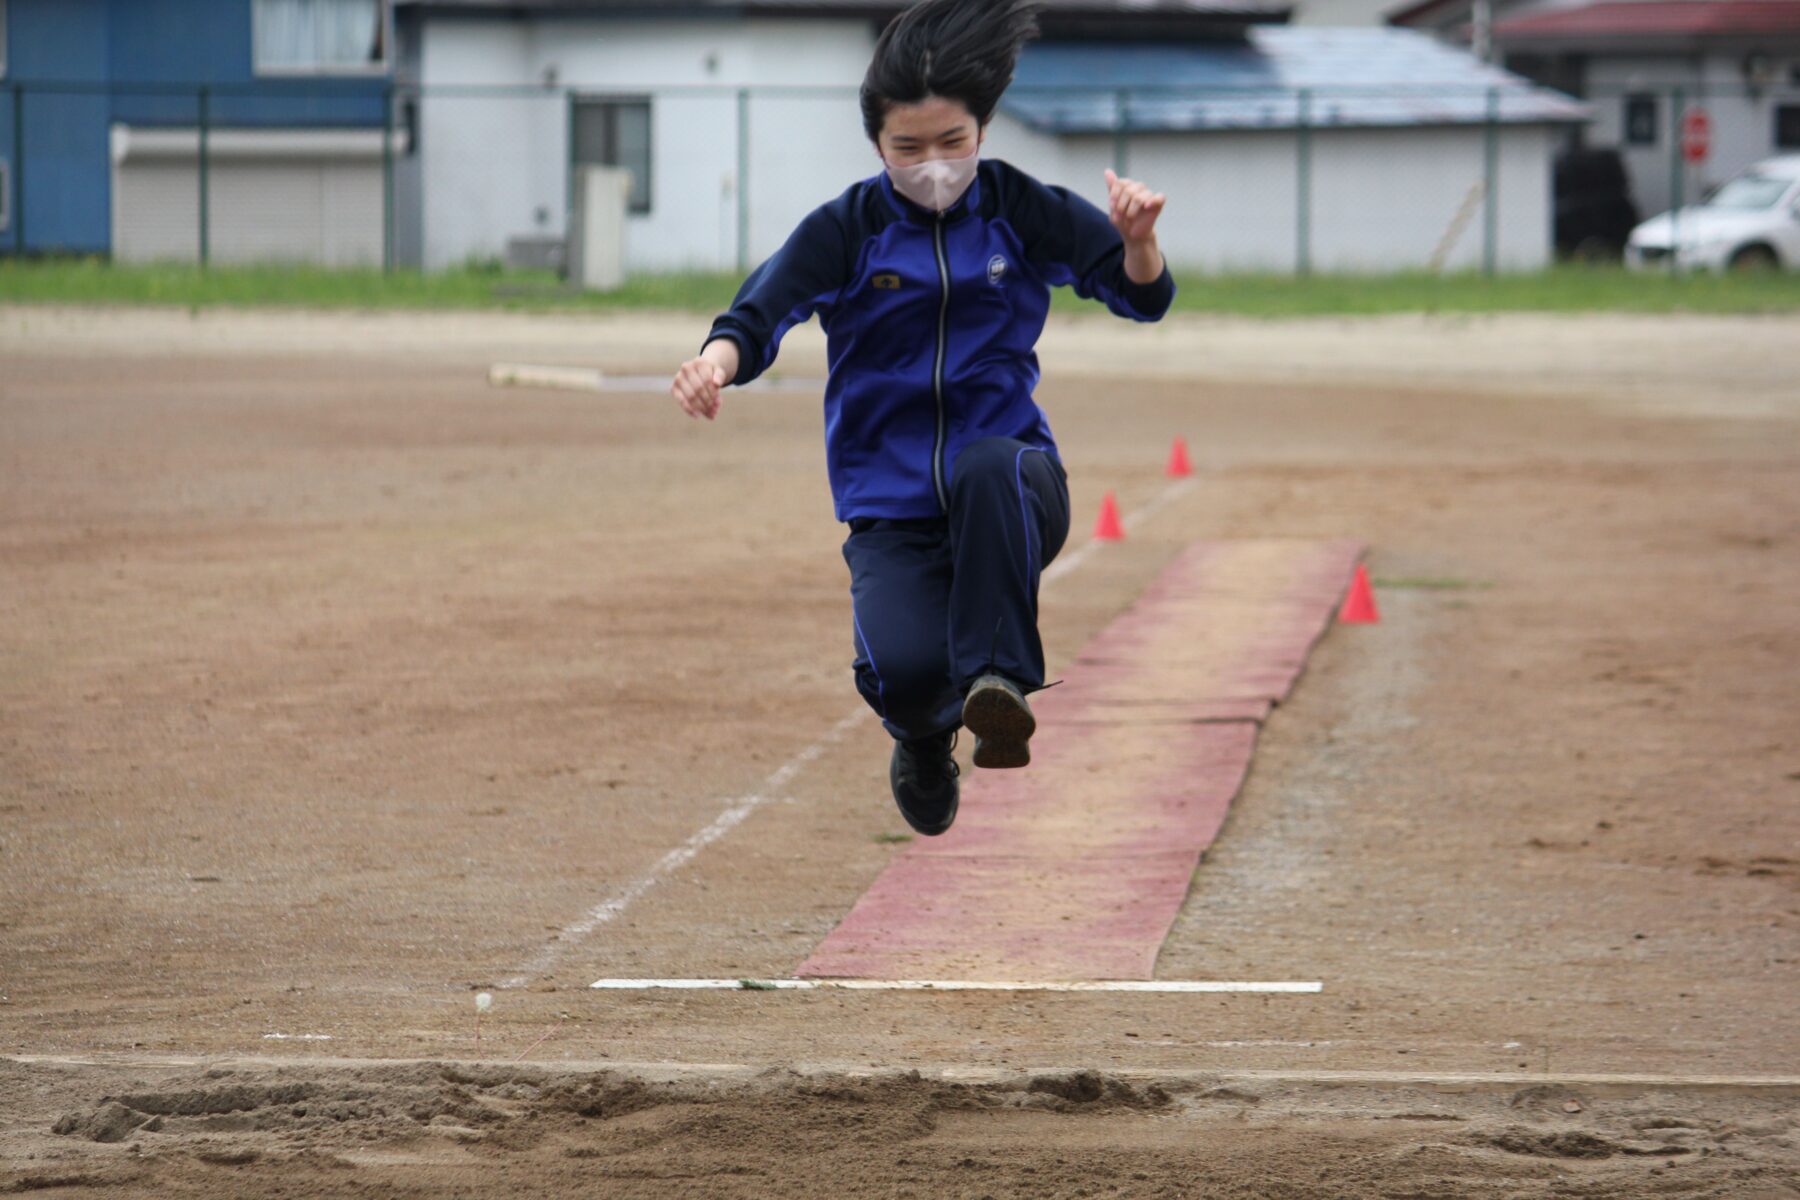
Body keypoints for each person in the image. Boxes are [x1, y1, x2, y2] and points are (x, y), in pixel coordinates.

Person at [668, 0, 1173, 837]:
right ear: (878, 145)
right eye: (909, 147)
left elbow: (1139, 294)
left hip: (1015, 490)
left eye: (953, 143)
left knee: (987, 462)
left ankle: (999, 686)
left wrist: (1138, 241)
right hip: (891, 505)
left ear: (983, 129)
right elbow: (761, 313)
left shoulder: (1021, 208)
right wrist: (712, 365)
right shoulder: (847, 229)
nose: (933, 164)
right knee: (903, 672)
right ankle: (922, 736)